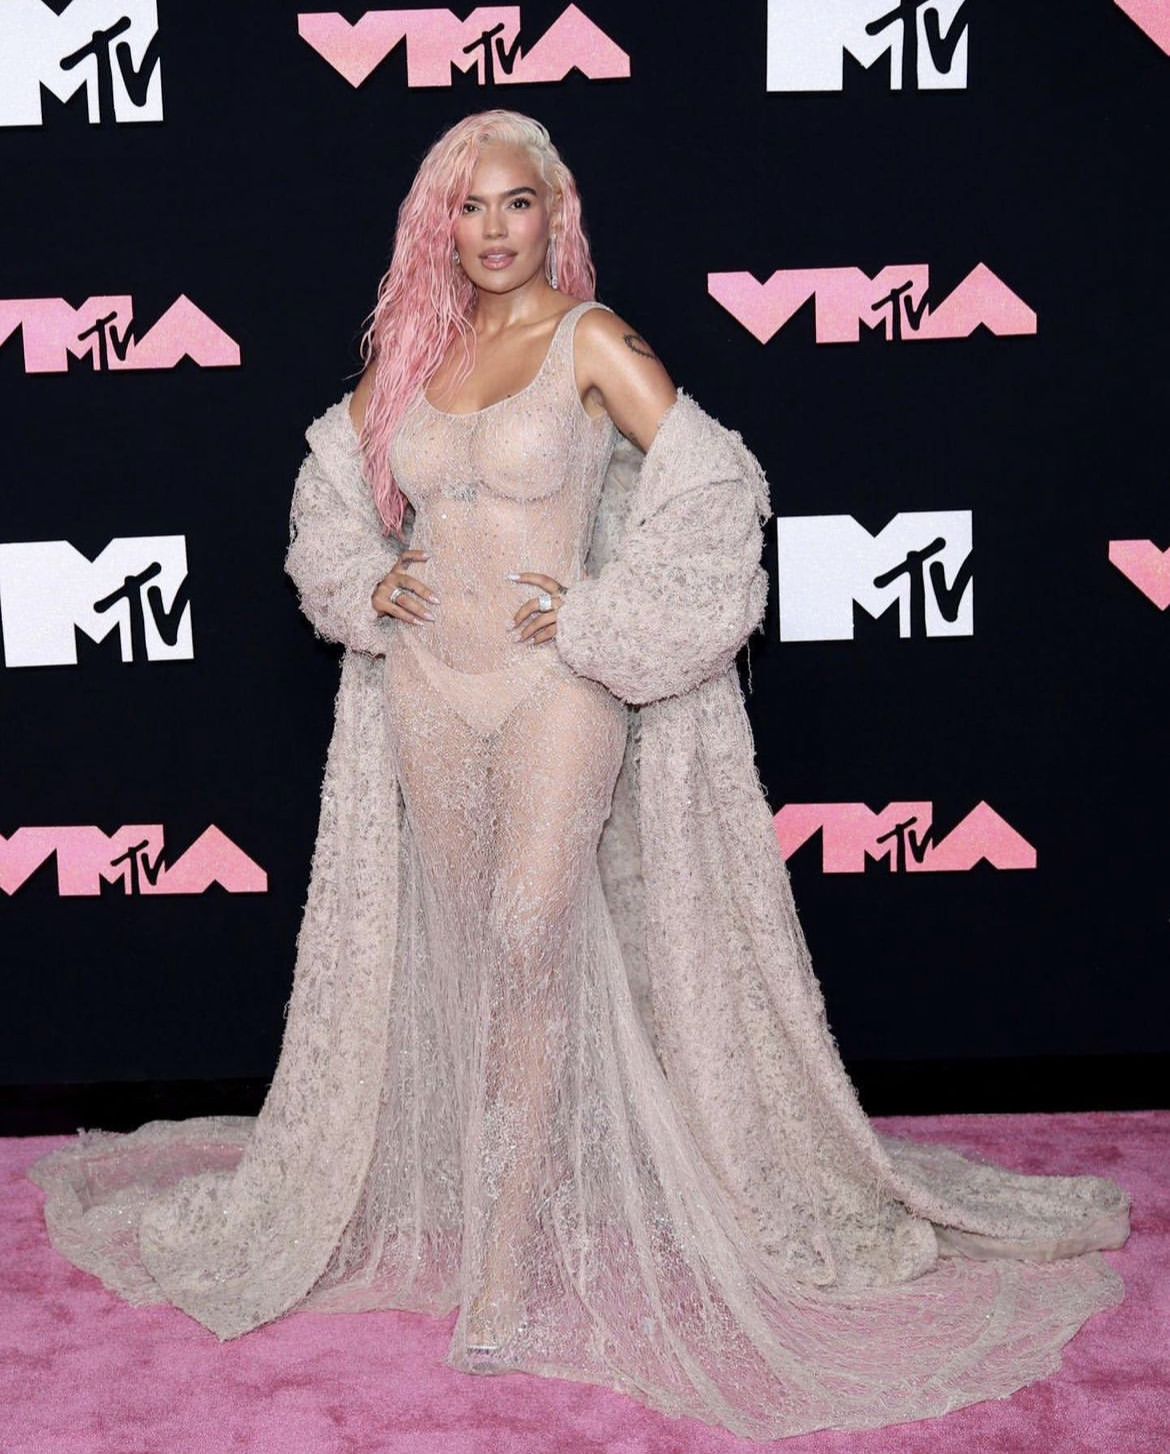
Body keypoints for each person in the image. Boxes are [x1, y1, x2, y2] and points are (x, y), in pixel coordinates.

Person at [27, 110, 1131, 1441]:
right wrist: (367, 579)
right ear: (442, 225)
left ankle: (503, 1258)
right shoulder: (417, 354)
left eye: (518, 203)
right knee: (474, 950)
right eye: (472, 206)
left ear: (557, 215)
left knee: (529, 927)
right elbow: (328, 489)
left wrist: (607, 613)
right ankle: (507, 1186)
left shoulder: (591, 341)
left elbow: (718, 485)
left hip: (556, 684)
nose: (495, 229)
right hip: (428, 686)